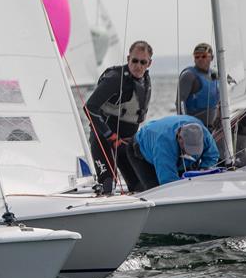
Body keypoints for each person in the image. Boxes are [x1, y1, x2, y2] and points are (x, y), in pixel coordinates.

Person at [84, 40, 153, 193]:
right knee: (108, 185)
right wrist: (110, 136)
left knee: (142, 187)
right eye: (134, 61)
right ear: (128, 59)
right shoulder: (115, 79)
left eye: (143, 62)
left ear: (149, 64)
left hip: (125, 143)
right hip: (103, 138)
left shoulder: (146, 81)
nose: (138, 66)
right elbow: (89, 107)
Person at [126, 115, 220, 190]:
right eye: (189, 149)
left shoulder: (202, 132)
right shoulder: (164, 144)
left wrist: (203, 170)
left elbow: (212, 155)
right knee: (155, 190)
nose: (192, 154)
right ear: (180, 138)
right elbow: (168, 184)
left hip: (172, 154)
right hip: (141, 152)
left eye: (195, 149)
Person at [176, 42, 220, 130]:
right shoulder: (189, 75)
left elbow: (220, 101)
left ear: (211, 57)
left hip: (213, 126)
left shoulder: (215, 75)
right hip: (195, 127)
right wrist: (186, 124)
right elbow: (180, 102)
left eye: (203, 56)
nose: (200, 59)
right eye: (197, 57)